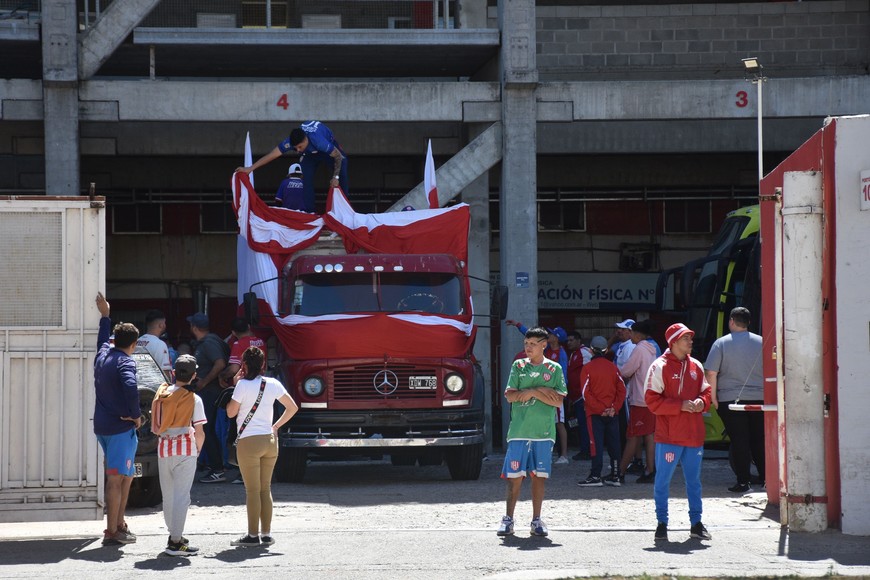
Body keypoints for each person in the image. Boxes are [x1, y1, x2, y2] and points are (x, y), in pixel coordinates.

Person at [645, 323, 713, 542]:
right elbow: (651, 401)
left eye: (690, 338)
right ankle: (662, 523)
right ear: (673, 342)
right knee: (662, 481)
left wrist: (702, 402)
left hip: (694, 435)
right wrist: (680, 406)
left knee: (694, 482)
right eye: (686, 338)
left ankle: (696, 523)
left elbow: (707, 392)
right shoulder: (659, 366)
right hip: (669, 437)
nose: (691, 341)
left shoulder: (696, 365)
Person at [497, 327, 567, 538]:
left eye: (533, 344)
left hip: (543, 433)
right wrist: (543, 391)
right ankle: (508, 519)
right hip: (519, 431)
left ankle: (536, 520)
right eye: (526, 343)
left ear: (544, 345)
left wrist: (532, 392)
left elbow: (558, 400)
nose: (528, 347)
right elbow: (510, 396)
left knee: (539, 477)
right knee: (514, 477)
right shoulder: (518, 366)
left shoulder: (554, 369)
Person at [226, 346, 298, 547]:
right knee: (265, 489)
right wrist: (276, 426)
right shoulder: (273, 383)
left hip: (248, 442)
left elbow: (231, 413)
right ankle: (266, 534)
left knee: (252, 490)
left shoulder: (242, 385)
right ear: (263, 364)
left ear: (244, 365)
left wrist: (235, 385)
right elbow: (292, 407)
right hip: (269, 440)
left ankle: (252, 536)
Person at [93, 293, 140, 547]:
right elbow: (131, 386)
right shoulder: (126, 362)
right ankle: (112, 531)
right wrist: (136, 415)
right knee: (116, 478)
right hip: (120, 429)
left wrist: (105, 316)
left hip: (103, 427)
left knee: (125, 475)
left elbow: (102, 340)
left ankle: (119, 524)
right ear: (134, 344)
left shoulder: (103, 356)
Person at [704, 307, 765, 493]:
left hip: (730, 400)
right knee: (759, 440)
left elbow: (711, 372)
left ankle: (743, 482)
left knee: (739, 441)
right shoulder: (762, 341)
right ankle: (766, 480)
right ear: (749, 322)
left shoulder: (721, 343)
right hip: (760, 399)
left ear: (731, 321)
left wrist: (713, 398)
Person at [151, 354, 206, 556]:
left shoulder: (162, 394)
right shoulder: (194, 399)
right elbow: (199, 431)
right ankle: (175, 541)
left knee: (168, 496)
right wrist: (198, 450)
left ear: (174, 373)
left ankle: (173, 534)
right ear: (194, 376)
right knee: (182, 497)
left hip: (164, 449)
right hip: (185, 450)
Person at [236, 120, 348, 213]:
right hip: (309, 155)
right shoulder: (290, 142)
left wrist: (335, 177)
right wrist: (250, 168)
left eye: (300, 147)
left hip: (329, 152)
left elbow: (338, 156)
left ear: (306, 140)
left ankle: (344, 210)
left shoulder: (319, 142)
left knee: (341, 172)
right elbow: (272, 155)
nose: (297, 150)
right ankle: (309, 213)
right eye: (295, 148)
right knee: (305, 179)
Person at [505, 320, 570, 464]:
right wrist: (518, 325)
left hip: (554, 394)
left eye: (552, 334)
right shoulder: (544, 351)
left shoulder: (561, 354)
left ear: (556, 338)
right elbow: (531, 337)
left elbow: (563, 377)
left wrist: (554, 391)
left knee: (559, 423)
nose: (549, 335)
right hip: (540, 398)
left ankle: (564, 454)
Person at [577, 336, 626, 487]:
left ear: (591, 350)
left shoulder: (587, 368)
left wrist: (600, 409)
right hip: (612, 413)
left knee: (595, 444)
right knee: (614, 444)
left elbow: (585, 393)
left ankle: (595, 475)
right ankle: (616, 475)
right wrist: (614, 408)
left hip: (595, 413)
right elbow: (622, 390)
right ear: (606, 350)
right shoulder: (613, 367)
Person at [187, 312, 230, 483]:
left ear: (194, 328)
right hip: (209, 392)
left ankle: (217, 469)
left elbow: (220, 363)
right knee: (206, 428)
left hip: (209, 393)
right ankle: (214, 466)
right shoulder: (209, 341)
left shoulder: (209, 343)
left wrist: (204, 382)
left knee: (206, 429)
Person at [616, 319, 659, 483]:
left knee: (633, 436)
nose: (630, 335)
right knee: (649, 435)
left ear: (637, 335)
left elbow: (626, 371)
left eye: (631, 333)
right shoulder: (651, 349)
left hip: (639, 399)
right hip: (650, 398)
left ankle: (619, 473)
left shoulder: (639, 349)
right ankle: (650, 470)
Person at [565, 330, 590, 461]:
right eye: (568, 341)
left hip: (583, 396)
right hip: (575, 397)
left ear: (578, 341)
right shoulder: (573, 354)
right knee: (580, 424)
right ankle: (584, 449)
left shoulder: (584, 352)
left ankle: (587, 451)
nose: (569, 343)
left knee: (585, 425)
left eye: (571, 340)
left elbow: (592, 370)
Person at [137, 309, 172, 381]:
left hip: (138, 383)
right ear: (161, 325)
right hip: (153, 385)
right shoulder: (160, 344)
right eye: (164, 323)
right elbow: (165, 371)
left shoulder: (137, 341)